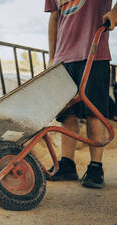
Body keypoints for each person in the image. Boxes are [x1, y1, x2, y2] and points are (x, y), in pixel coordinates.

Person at [45, 0, 117, 188]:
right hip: (63, 58)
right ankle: (67, 164)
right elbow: (54, 18)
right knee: (66, 114)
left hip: (93, 51)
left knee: (94, 112)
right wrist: (52, 57)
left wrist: (115, 12)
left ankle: (95, 167)